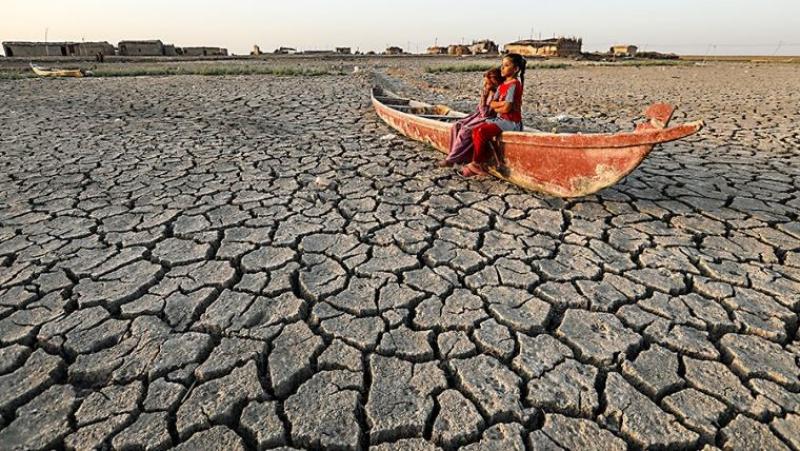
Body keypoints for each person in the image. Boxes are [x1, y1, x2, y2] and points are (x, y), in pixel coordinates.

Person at [461, 53, 527, 177]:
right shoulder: (502, 85)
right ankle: (482, 161)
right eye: (502, 65)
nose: (502, 68)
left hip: (511, 122)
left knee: (481, 132)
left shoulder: (514, 84)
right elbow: (492, 104)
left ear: (515, 69)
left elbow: (507, 109)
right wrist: (502, 104)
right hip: (500, 120)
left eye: (506, 65)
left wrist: (501, 105)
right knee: (475, 130)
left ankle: (476, 163)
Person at [439, 68, 503, 167]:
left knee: (466, 130)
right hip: (477, 116)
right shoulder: (488, 92)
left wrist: (483, 98)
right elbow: (479, 110)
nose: (484, 85)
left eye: (487, 83)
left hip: (487, 119)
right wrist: (483, 98)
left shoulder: (495, 95)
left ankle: (451, 160)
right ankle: (454, 156)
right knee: (456, 125)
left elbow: (485, 114)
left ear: (494, 82)